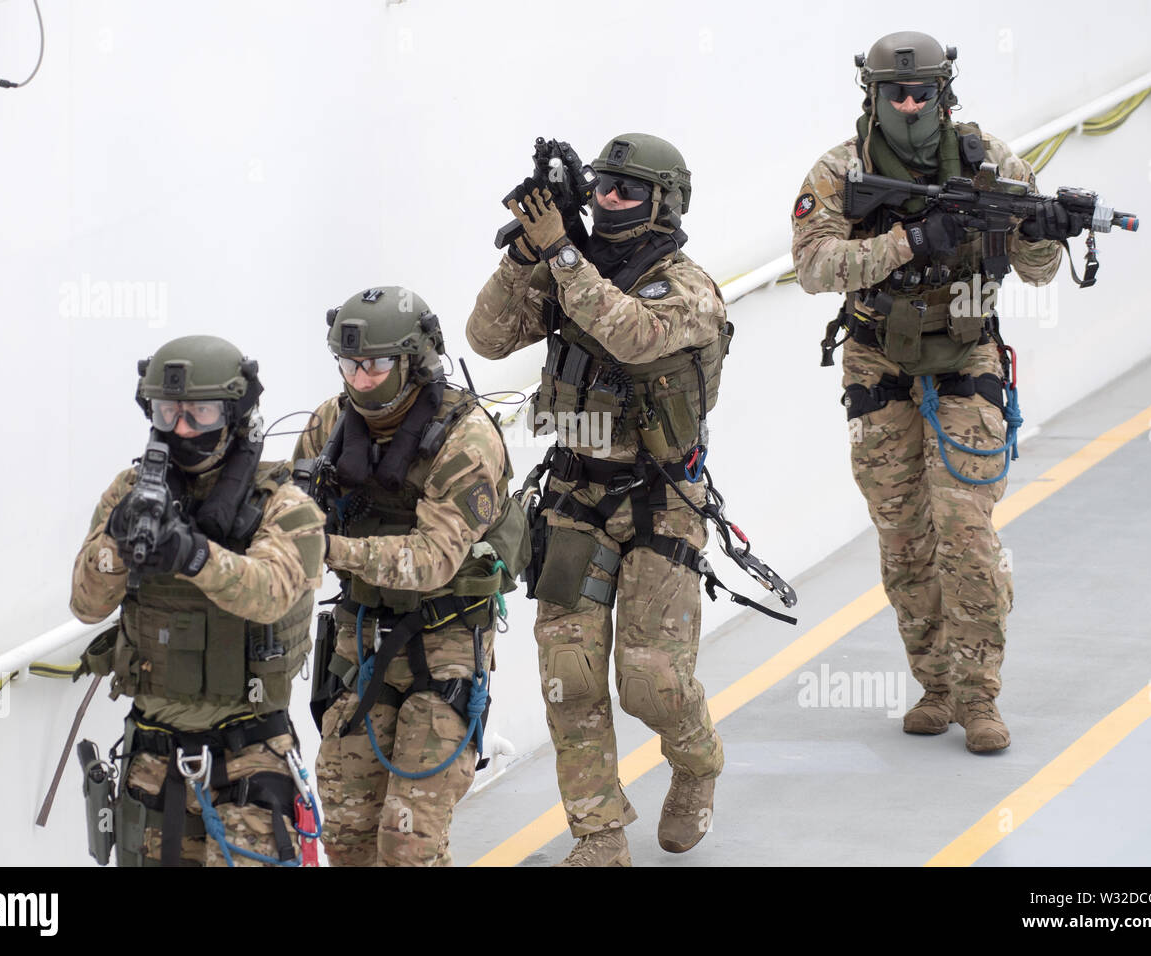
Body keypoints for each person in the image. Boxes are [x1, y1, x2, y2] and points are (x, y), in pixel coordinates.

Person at [791, 32, 1076, 752]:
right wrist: (913, 242)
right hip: (876, 362)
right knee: (903, 536)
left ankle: (981, 700)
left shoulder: (993, 164)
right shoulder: (838, 170)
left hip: (966, 354)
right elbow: (816, 266)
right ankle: (935, 687)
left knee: (966, 532)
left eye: (922, 94)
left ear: (946, 95)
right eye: (898, 94)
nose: (911, 105)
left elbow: (1038, 272)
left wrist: (1042, 233)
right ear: (875, 96)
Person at [467, 133, 732, 866]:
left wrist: (561, 254)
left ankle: (698, 761)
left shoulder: (687, 286)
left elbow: (635, 335)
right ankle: (599, 833)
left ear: (665, 203)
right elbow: (486, 338)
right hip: (574, 495)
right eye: (602, 187)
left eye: (628, 191)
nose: (609, 201)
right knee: (569, 675)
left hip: (661, 500)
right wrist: (523, 255)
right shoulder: (567, 270)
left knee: (650, 680)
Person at [71, 334, 326, 866]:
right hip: (151, 756)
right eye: (169, 411)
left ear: (233, 415)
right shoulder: (129, 491)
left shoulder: (283, 500)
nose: (182, 428)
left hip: (249, 758)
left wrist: (192, 555)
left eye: (200, 412)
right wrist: (117, 545)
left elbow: (271, 593)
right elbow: (85, 604)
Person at [297, 286, 520, 867]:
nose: (359, 378)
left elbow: (431, 560)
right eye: (347, 364)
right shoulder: (331, 423)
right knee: (347, 837)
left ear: (414, 361)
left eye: (373, 365)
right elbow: (290, 506)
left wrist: (327, 548)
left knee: (407, 840)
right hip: (363, 639)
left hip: (445, 643)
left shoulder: (465, 438)